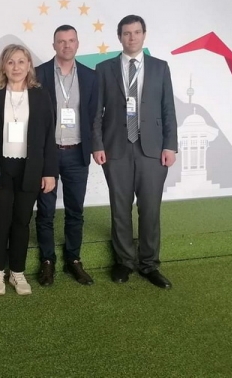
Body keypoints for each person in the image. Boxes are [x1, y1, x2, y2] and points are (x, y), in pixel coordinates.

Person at [92, 15, 178, 289]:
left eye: (137, 32)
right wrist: (97, 144)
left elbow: (168, 109)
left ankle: (149, 264)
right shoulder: (104, 69)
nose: (132, 37)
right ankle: (125, 262)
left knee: (150, 208)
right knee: (120, 208)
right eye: (127, 33)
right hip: (115, 148)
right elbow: (95, 111)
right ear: (119, 37)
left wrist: (170, 145)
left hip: (152, 149)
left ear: (144, 34)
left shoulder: (160, 67)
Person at [0, 44, 58, 296]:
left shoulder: (41, 95)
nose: (16, 67)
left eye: (21, 62)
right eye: (10, 62)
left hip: (30, 168)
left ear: (29, 66)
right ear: (3, 66)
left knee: (21, 221)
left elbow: (49, 136)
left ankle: (17, 272)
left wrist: (49, 172)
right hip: (0, 168)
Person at [35, 25, 98, 286]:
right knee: (45, 211)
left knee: (75, 211)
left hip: (76, 153)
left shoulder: (90, 76)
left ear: (77, 43)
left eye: (71, 40)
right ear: (54, 45)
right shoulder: (38, 74)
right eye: (61, 41)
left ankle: (73, 259)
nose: (67, 45)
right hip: (47, 154)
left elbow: (94, 115)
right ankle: (47, 261)